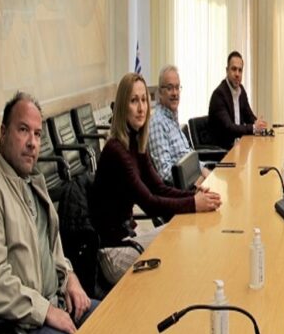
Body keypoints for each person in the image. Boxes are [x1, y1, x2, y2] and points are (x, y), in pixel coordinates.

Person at [0, 92, 98, 334]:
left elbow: (52, 249)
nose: (32, 142)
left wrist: (70, 278)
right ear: (3, 133)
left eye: (38, 134)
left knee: (109, 322)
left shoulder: (31, 182)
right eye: (23, 130)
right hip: (10, 331)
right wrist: (46, 311)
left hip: (49, 305)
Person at [91, 73, 221, 284]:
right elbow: (150, 204)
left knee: (183, 230)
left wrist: (194, 195)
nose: (141, 108)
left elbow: (159, 188)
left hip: (127, 239)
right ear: (123, 106)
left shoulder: (136, 143)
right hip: (112, 253)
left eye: (144, 100)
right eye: (134, 101)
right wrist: (193, 203)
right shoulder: (116, 150)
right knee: (178, 240)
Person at [148, 65, 208, 183]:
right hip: (185, 188)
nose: (175, 93)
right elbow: (165, 173)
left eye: (177, 87)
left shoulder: (172, 118)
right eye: (170, 88)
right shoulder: (158, 123)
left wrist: (204, 170)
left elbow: (187, 157)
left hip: (195, 180)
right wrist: (197, 177)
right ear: (160, 92)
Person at [208, 51, 267, 149]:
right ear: (227, 70)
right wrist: (254, 128)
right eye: (234, 69)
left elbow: (249, 117)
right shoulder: (219, 95)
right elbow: (229, 128)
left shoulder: (241, 90)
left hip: (240, 147)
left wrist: (260, 126)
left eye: (240, 70)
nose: (237, 74)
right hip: (223, 151)